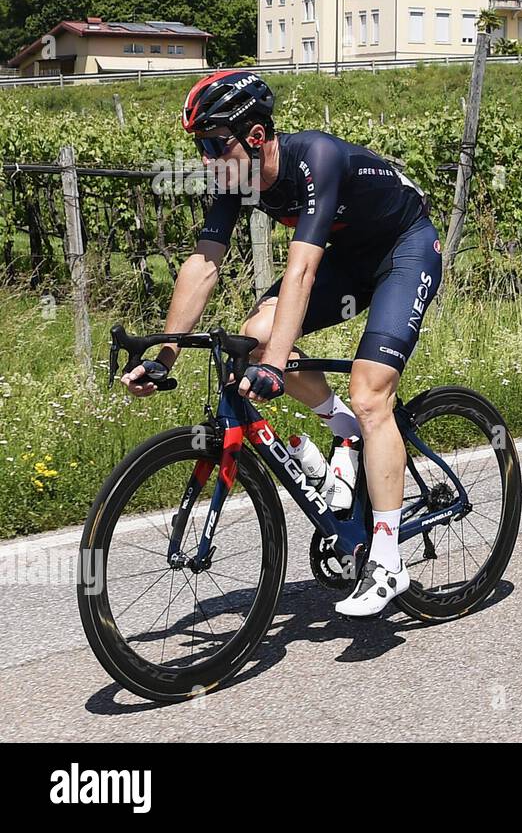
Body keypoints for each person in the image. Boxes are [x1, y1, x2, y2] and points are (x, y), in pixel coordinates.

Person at [120, 70, 442, 617]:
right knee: (255, 336)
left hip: (404, 250)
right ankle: (341, 432)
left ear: (254, 136)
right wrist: (165, 353)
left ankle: (388, 559)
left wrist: (275, 368)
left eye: (212, 143)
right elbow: (204, 264)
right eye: (198, 145)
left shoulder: (316, 160)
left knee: (370, 395)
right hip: (348, 260)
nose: (204, 159)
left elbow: (300, 274)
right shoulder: (234, 177)